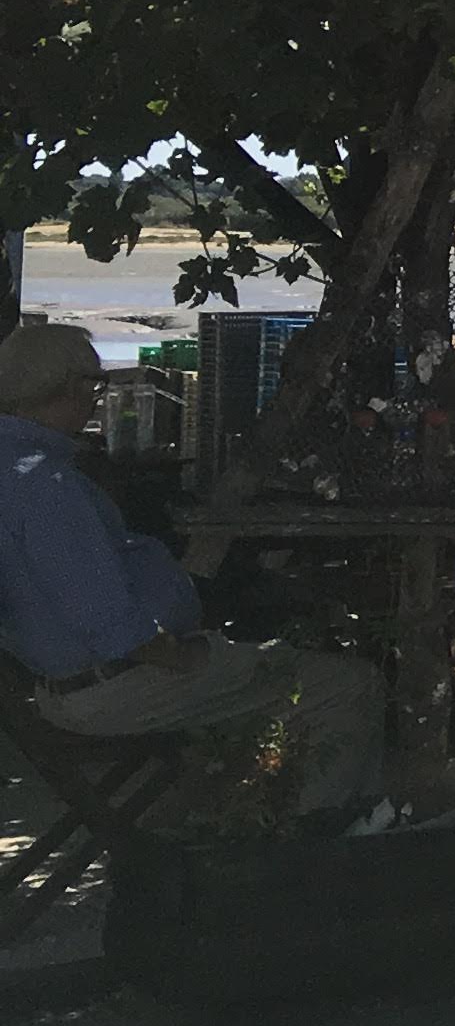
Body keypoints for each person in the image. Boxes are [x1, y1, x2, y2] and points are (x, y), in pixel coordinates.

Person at [0, 325, 388, 814]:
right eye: (95, 387)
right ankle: (319, 835)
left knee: (263, 668)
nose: (96, 401)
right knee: (348, 683)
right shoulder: (46, 486)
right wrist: (188, 656)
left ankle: (262, 811)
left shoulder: (15, 467)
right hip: (113, 685)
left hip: (65, 682)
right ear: (70, 388)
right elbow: (110, 625)